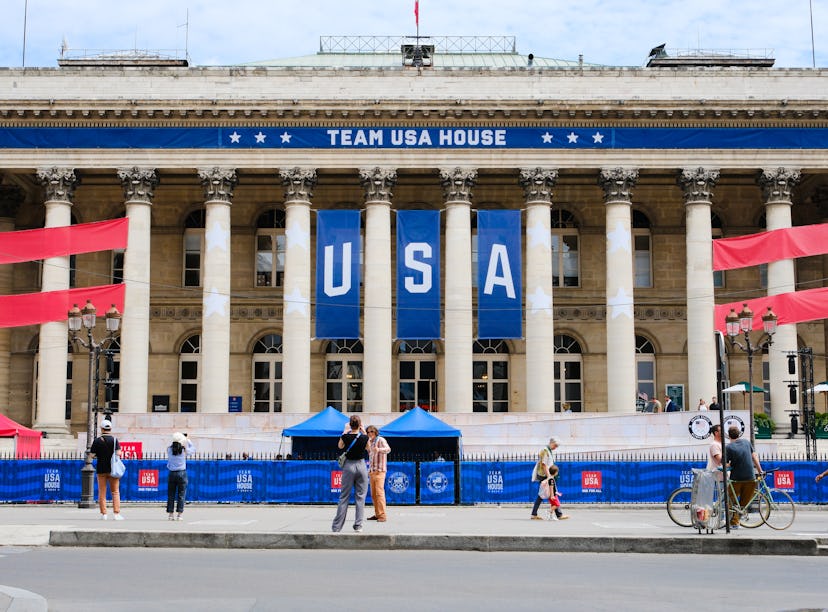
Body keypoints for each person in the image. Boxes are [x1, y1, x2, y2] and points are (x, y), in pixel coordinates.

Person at [332, 415, 369, 533]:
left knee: (344, 496)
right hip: (361, 465)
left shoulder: (345, 436)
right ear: (360, 424)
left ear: (350, 425)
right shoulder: (364, 437)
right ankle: (358, 525)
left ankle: (337, 527)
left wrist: (345, 431)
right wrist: (363, 431)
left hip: (349, 465)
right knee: (361, 497)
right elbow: (369, 449)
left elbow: (340, 446)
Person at [725, 425, 763, 529]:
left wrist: (728, 465)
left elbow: (726, 464)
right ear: (739, 434)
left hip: (736, 478)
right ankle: (736, 521)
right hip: (750, 477)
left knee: (731, 500)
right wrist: (760, 470)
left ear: (729, 436)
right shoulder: (746, 442)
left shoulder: (728, 447)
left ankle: (733, 522)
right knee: (744, 502)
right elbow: (754, 457)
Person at [89, 419, 123, 520]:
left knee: (102, 492)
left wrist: (99, 455)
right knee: (115, 492)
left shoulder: (97, 441)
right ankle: (116, 514)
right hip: (113, 469)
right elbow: (119, 453)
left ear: (101, 429)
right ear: (110, 428)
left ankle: (104, 514)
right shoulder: (114, 440)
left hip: (101, 469)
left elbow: (92, 455)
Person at [530, 437, 569, 520]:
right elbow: (544, 465)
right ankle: (558, 514)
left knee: (542, 495)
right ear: (551, 443)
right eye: (555, 445)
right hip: (545, 475)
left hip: (546, 475)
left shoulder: (548, 451)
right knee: (549, 494)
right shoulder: (545, 451)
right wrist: (549, 476)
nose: (556, 447)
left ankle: (534, 514)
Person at [166, 432, 195, 521]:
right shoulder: (184, 450)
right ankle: (179, 514)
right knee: (181, 494)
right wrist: (187, 440)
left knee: (171, 494)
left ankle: (170, 514)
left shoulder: (169, 449)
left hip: (172, 473)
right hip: (181, 473)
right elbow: (193, 449)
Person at [365, 424, 391, 522]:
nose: (370, 433)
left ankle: (382, 515)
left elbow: (388, 449)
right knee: (374, 494)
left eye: (371, 431)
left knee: (379, 493)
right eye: (368, 432)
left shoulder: (380, 440)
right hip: (372, 471)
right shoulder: (370, 442)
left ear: (376, 432)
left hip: (380, 470)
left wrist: (379, 449)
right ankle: (377, 513)